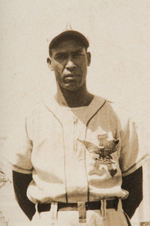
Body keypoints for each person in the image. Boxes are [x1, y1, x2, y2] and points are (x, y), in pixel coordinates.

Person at [10, 29, 144, 226]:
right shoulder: (33, 118)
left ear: (88, 58)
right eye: (61, 57)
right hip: (52, 218)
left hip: (106, 217)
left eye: (77, 55)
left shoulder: (117, 116)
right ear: (50, 63)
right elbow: (20, 185)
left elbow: (134, 186)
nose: (70, 64)